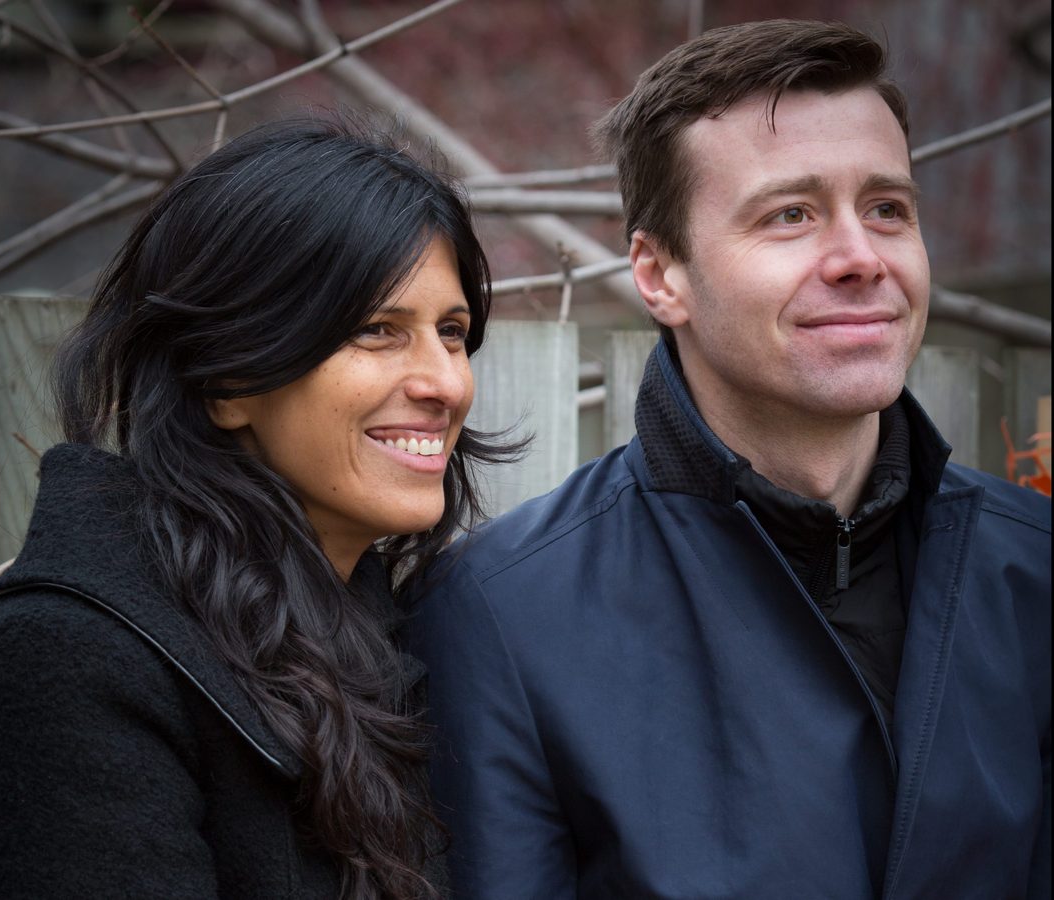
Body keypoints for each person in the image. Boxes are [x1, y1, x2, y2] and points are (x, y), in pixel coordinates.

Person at [405, 19, 1051, 899]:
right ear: (658, 274)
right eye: (790, 215)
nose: (861, 258)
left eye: (887, 210)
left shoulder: (1033, 571)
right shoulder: (502, 617)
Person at [0, 117, 514, 899]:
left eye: (451, 333)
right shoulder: (74, 662)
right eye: (376, 330)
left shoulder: (383, 641)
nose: (446, 383)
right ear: (227, 378)